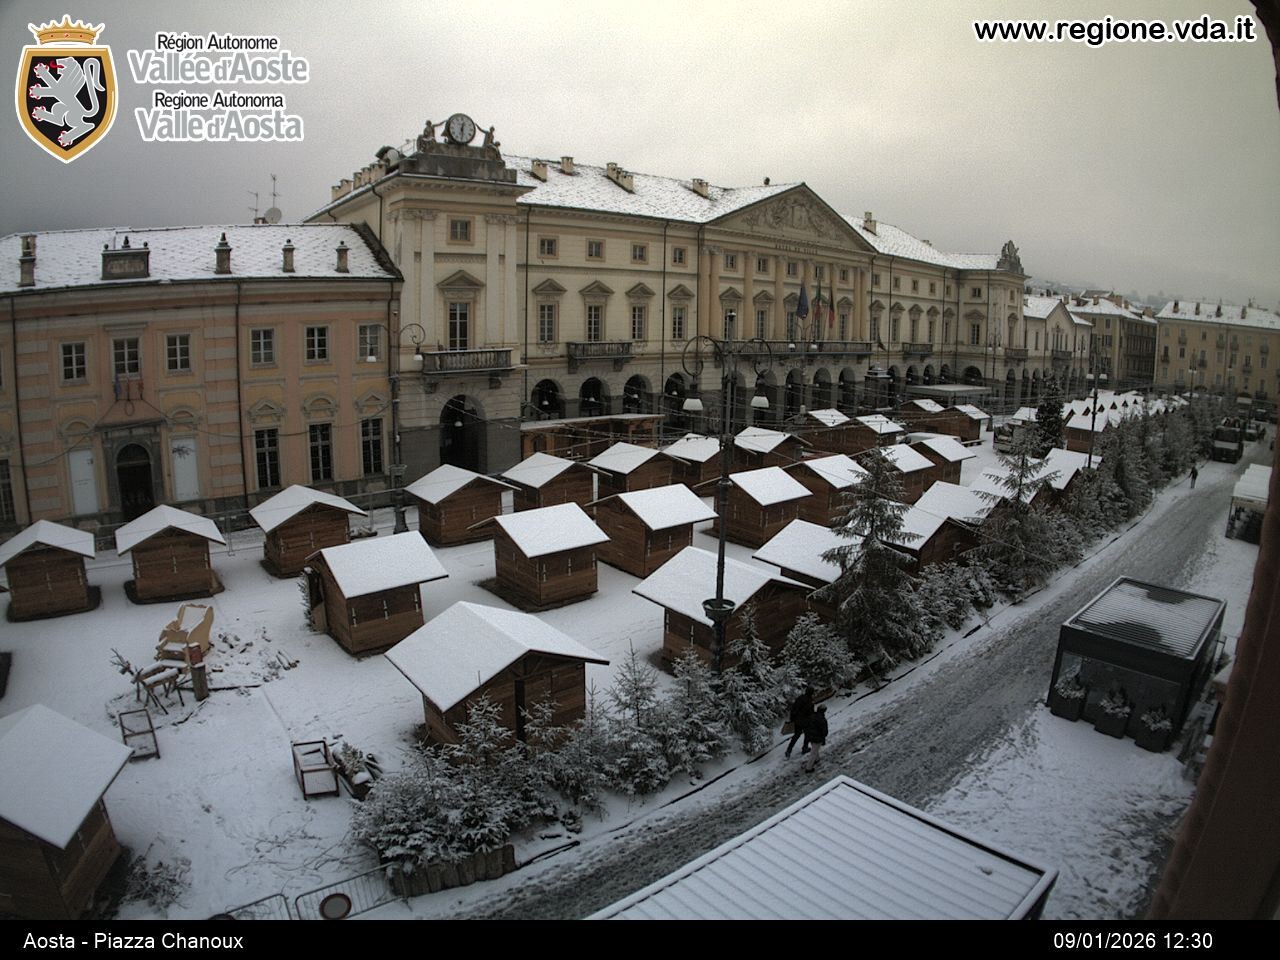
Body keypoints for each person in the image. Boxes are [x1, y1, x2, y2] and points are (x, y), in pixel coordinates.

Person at [784, 686, 814, 759]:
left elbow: (794, 708)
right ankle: (805, 748)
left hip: (798, 721)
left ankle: (789, 750)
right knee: (807, 734)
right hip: (805, 721)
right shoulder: (809, 700)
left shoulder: (800, 698)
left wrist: (792, 719)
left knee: (796, 735)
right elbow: (810, 712)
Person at [804, 706, 828, 773]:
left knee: (814, 749)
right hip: (817, 738)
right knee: (813, 752)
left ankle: (817, 759)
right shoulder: (822, 720)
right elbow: (824, 731)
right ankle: (809, 768)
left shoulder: (812, 716)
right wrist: (823, 739)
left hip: (810, 736)